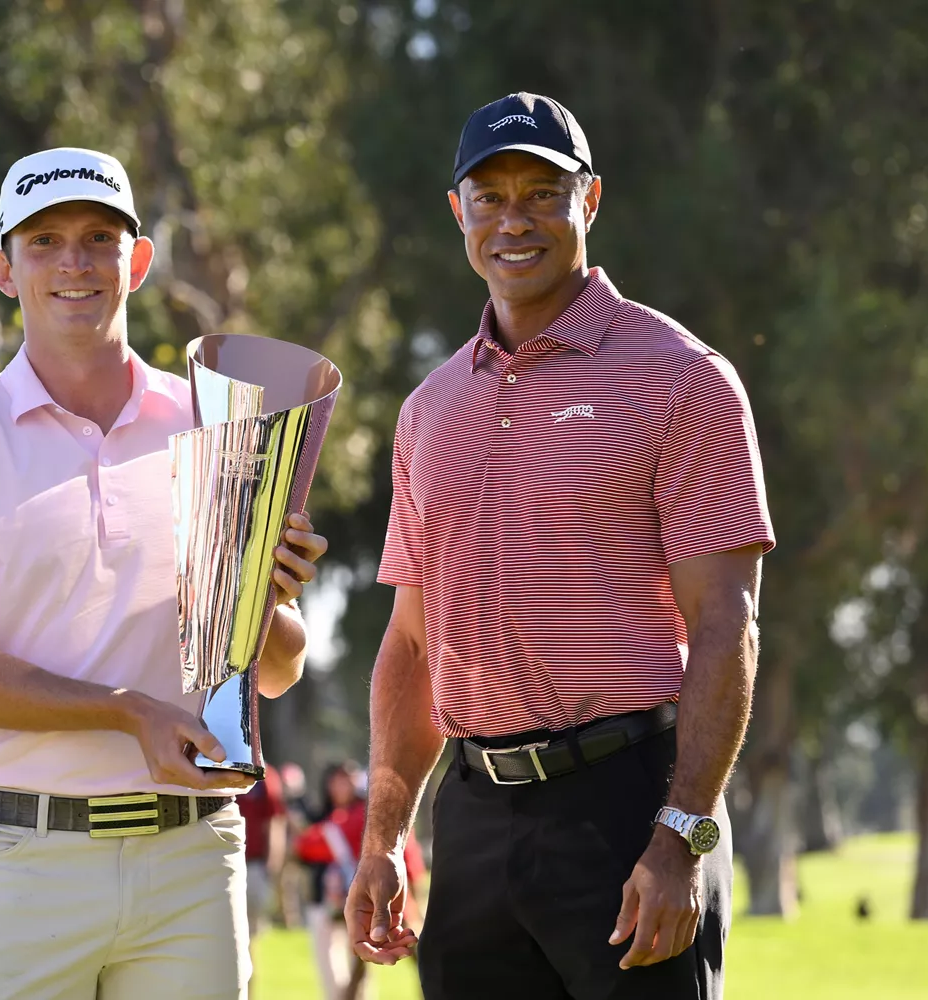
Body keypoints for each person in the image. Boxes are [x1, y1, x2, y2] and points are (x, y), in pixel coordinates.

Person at [345, 92, 775, 1000]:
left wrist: (681, 834)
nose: (515, 220)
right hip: (475, 820)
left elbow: (726, 621)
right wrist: (384, 837)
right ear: (456, 211)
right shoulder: (428, 410)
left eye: (543, 192)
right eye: (490, 196)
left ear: (592, 200)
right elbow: (412, 645)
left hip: (626, 810)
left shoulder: (680, 376)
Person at [0, 145, 328, 1000]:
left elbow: (275, 668)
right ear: (4, 270)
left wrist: (268, 595)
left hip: (192, 860)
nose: (74, 263)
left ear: (139, 259)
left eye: (98, 237)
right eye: (43, 242)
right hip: (19, 861)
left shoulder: (218, 420)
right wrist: (130, 716)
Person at [296, 764, 423, 1000]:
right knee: (378, 963)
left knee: (403, 958)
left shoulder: (358, 816)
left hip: (382, 900)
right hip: (377, 900)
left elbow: (307, 845)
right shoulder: (345, 817)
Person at [236, 768, 286, 995]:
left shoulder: (264, 775)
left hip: (252, 866)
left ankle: (247, 993)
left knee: (246, 942)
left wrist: (272, 867)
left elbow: (274, 822)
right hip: (214, 863)